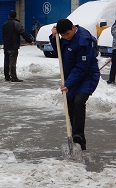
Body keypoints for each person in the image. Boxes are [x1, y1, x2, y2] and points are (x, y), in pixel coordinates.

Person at [50, 18, 100, 150]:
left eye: (67, 34)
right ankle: (74, 135)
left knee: (78, 101)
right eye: (63, 35)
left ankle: (78, 136)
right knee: (70, 104)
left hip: (87, 76)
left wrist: (68, 83)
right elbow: (59, 50)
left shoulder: (84, 40)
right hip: (72, 76)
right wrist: (54, 37)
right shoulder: (65, 37)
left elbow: (82, 67)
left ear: (73, 28)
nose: (65, 37)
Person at [2, 10, 34, 82]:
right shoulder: (16, 24)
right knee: (12, 62)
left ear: (9, 16)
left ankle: (7, 77)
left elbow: (3, 35)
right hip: (13, 46)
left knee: (6, 61)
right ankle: (13, 77)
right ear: (15, 16)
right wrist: (29, 41)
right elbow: (22, 33)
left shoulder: (5, 24)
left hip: (6, 46)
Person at [106, 20, 116, 84]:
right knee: (114, 64)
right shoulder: (114, 26)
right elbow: (114, 33)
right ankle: (111, 79)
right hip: (115, 48)